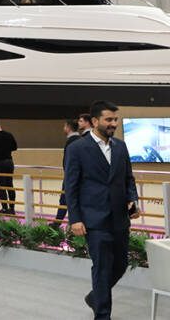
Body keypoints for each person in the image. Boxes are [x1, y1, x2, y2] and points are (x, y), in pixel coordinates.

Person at [64, 100, 140, 320]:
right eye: (108, 119)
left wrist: (132, 199)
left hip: (120, 218)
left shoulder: (120, 147)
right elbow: (71, 186)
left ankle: (95, 297)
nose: (113, 123)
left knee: (121, 265)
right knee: (102, 267)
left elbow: (128, 178)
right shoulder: (77, 148)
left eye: (115, 119)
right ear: (95, 121)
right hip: (94, 219)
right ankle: (103, 315)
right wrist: (75, 218)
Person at [51, 119, 81, 227]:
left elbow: (68, 161)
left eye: (64, 126)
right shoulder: (81, 140)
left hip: (70, 176)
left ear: (68, 127)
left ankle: (58, 223)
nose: (63, 129)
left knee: (64, 199)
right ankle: (58, 222)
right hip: (76, 176)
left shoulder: (71, 141)